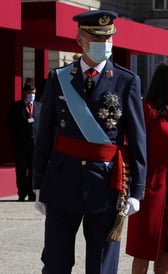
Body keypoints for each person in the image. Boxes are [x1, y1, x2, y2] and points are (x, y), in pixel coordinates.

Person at [33, 10, 147, 274]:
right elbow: (45, 135)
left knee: (101, 266)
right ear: (80, 40)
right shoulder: (58, 78)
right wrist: (38, 183)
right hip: (62, 182)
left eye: (108, 39)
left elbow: (138, 138)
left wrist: (136, 190)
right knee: (56, 262)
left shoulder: (126, 80)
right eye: (96, 38)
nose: (104, 44)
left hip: (106, 184)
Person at [126, 62, 168, 274]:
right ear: (166, 82)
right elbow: (134, 148)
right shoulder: (148, 110)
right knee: (144, 251)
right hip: (149, 191)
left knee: (167, 250)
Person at [6, 80, 41, 201]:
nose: (32, 94)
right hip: (21, 145)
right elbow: (10, 125)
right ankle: (22, 192)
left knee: (33, 169)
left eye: (34, 92)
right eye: (30, 92)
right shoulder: (16, 107)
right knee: (21, 169)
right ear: (25, 92)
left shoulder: (39, 107)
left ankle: (32, 193)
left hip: (35, 145)